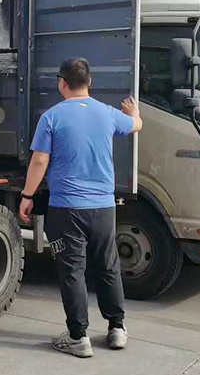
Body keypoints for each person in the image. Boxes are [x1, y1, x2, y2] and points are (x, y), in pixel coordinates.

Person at [19, 57, 142, 358]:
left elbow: (40, 160)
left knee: (72, 270)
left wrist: (27, 195)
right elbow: (136, 126)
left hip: (66, 210)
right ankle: (117, 328)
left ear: (61, 83)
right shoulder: (108, 114)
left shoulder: (51, 117)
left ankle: (78, 337)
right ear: (90, 83)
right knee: (108, 265)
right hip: (103, 208)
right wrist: (135, 113)